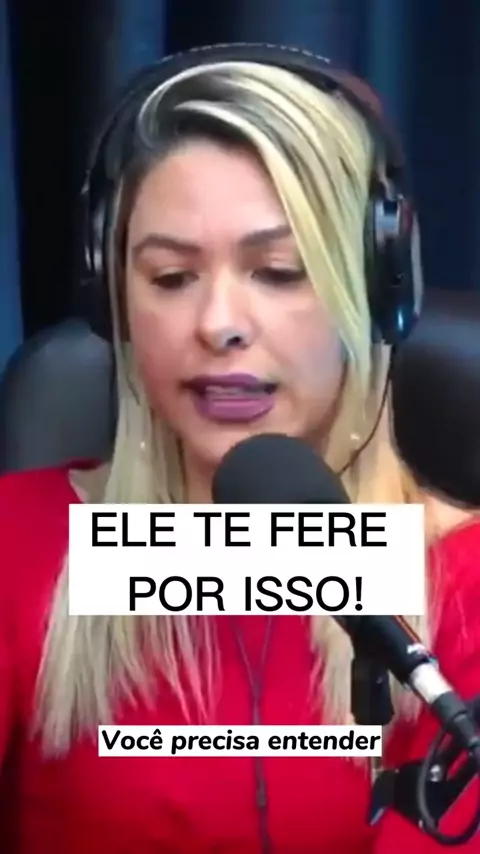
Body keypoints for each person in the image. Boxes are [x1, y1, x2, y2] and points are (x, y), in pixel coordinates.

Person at [1, 42, 480, 853]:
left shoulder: (463, 587)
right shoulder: (18, 544)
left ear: (375, 289)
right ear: (115, 304)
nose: (219, 323)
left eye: (279, 271)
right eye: (171, 277)